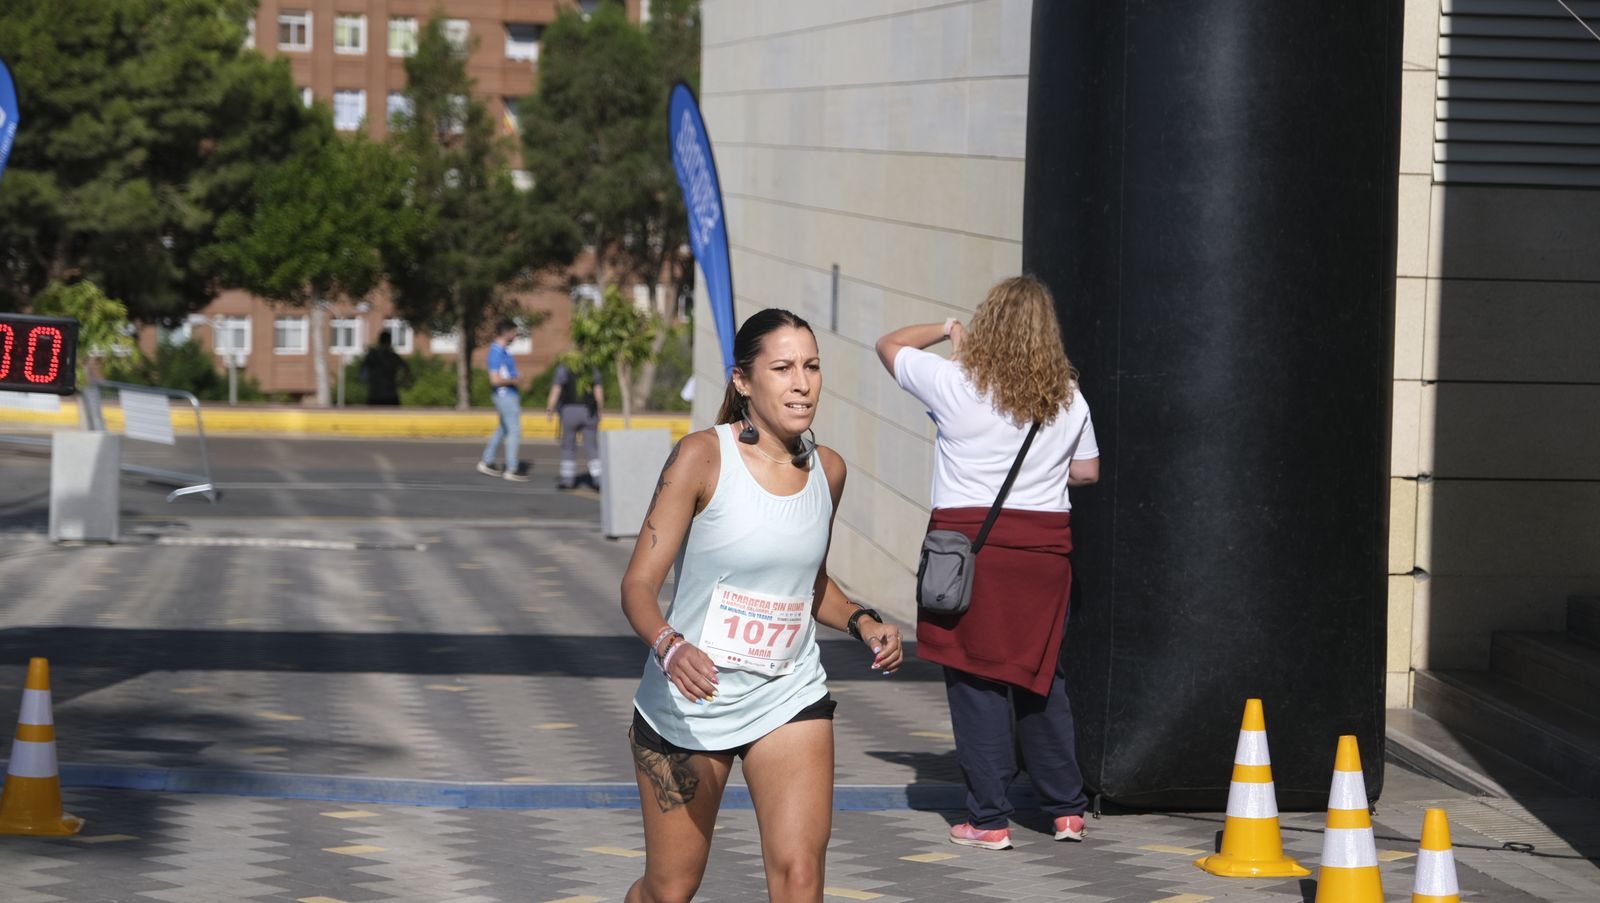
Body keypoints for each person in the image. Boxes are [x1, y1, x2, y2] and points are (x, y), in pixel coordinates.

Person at [622, 308, 905, 902]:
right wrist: (670, 647)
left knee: (800, 875)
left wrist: (862, 621)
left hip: (787, 691)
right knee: (670, 889)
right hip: (693, 700)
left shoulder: (827, 470)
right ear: (743, 381)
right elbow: (638, 585)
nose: (802, 382)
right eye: (782, 368)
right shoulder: (701, 457)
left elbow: (809, 584)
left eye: (812, 366)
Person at [875, 275, 1100, 852]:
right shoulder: (1069, 398)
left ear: (988, 327)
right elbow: (1087, 472)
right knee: (1040, 678)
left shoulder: (955, 383)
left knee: (977, 681)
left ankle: (989, 819)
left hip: (971, 557)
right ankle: (1067, 811)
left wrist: (949, 329)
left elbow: (888, 345)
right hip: (1045, 558)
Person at [477, 318, 530, 482]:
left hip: (508, 394)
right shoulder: (496, 352)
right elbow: (495, 379)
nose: (515, 336)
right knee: (514, 430)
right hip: (504, 395)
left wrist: (516, 378)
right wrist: (515, 380)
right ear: (506, 332)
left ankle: (487, 461)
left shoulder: (503, 351)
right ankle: (512, 469)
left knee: (503, 429)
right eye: (514, 332)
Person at [546, 360, 603, 490]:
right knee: (591, 447)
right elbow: (598, 390)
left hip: (569, 410)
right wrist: (600, 409)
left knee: (568, 447)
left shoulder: (563, 368)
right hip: (589, 411)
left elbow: (556, 389)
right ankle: (598, 480)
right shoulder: (592, 367)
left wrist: (550, 408)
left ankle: (567, 480)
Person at [359, 329, 410, 406]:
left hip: (380, 395)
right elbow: (406, 367)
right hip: (384, 395)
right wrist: (403, 382)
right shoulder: (391, 356)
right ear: (389, 342)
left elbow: (363, 372)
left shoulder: (374, 356)